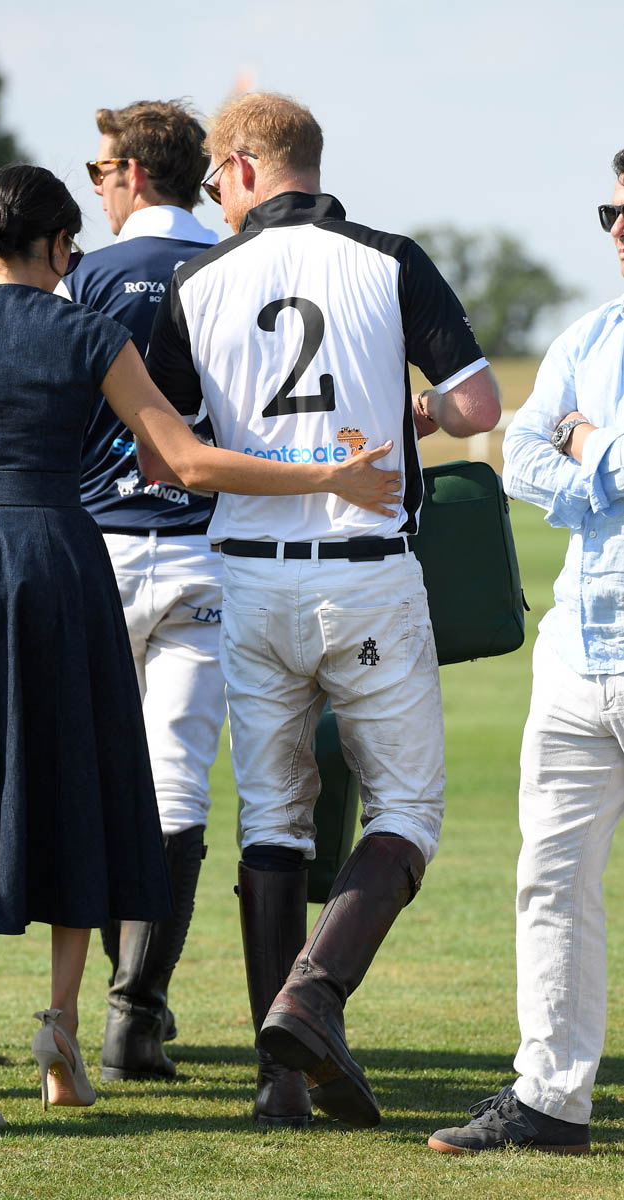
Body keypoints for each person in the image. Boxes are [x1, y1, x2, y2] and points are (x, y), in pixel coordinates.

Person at [0, 162, 404, 1128]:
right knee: (79, 783)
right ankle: (59, 1030)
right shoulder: (87, 333)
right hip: (59, 560)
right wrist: (325, 478)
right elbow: (182, 460)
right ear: (59, 247)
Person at [144, 92, 501, 1130]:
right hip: (366, 570)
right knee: (407, 811)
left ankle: (280, 1081)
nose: (213, 196)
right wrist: (414, 411)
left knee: (272, 816)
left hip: (249, 578)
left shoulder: (197, 280)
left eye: (213, 179)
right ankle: (312, 996)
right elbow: (476, 406)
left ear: (243, 168)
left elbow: (166, 451)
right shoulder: (390, 258)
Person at [427, 151, 624, 1157]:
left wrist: (588, 442)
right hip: (578, 648)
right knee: (549, 880)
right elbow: (519, 458)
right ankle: (550, 1101)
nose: (618, 229)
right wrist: (592, 460)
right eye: (609, 212)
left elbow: (573, 448)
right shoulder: (587, 337)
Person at [57, 99, 225, 1082]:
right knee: (177, 786)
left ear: (131, 172)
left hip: (98, 554)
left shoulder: (85, 276)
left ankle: (96, 1007)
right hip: (208, 551)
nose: (96, 187)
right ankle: (134, 1016)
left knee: (92, 782)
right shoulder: (236, 264)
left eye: (99, 169)